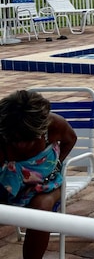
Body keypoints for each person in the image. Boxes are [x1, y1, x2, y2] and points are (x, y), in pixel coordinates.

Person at [0, 90, 78, 259]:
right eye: (14, 140)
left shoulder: (55, 125)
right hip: (6, 182)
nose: (20, 145)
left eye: (27, 139)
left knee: (41, 208)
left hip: (46, 184)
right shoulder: (4, 131)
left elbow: (71, 139)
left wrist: (57, 165)